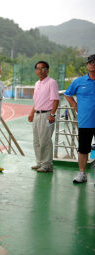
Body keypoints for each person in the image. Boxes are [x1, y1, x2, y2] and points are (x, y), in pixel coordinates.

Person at [64, 54, 95, 183]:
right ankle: (82, 174)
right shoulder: (78, 81)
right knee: (83, 149)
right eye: (91, 62)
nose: (93, 64)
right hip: (85, 121)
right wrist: (74, 104)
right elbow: (67, 94)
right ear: (87, 65)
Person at [28, 61, 60, 172]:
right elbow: (36, 101)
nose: (40, 71)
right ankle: (40, 162)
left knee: (45, 140)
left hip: (47, 115)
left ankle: (47, 165)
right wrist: (32, 113)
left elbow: (56, 99)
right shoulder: (37, 83)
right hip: (37, 114)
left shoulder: (52, 82)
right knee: (36, 141)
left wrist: (52, 114)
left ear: (47, 70)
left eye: (43, 68)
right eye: (37, 68)